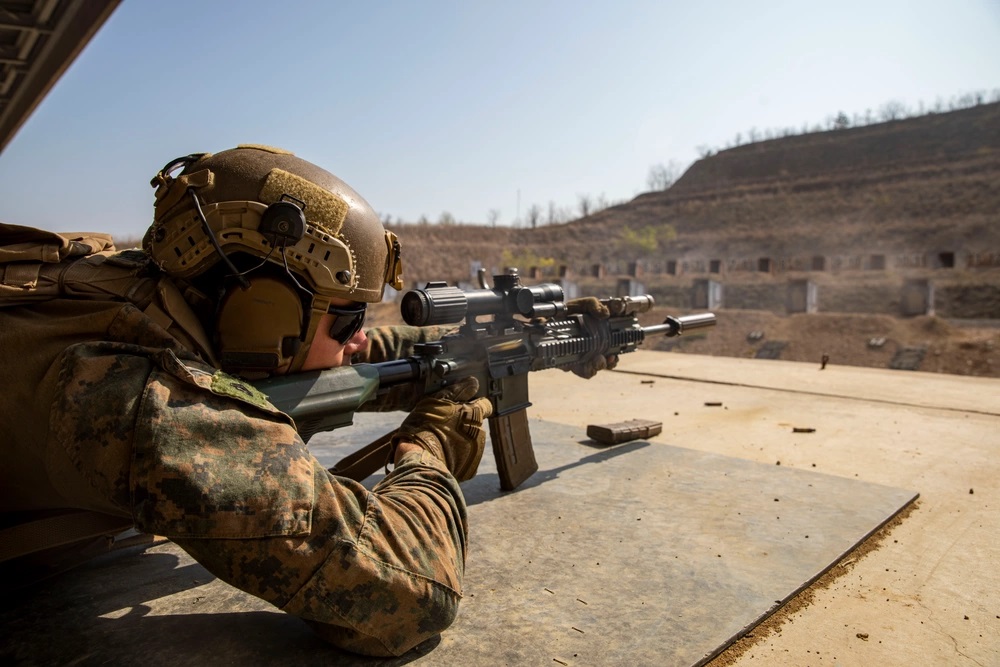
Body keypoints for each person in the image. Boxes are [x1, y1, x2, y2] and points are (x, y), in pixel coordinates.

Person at [0, 145, 493, 656]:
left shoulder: (144, 290)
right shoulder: (152, 400)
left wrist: (467, 351)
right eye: (350, 320)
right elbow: (408, 593)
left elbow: (345, 361)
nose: (362, 340)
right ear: (267, 312)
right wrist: (429, 450)